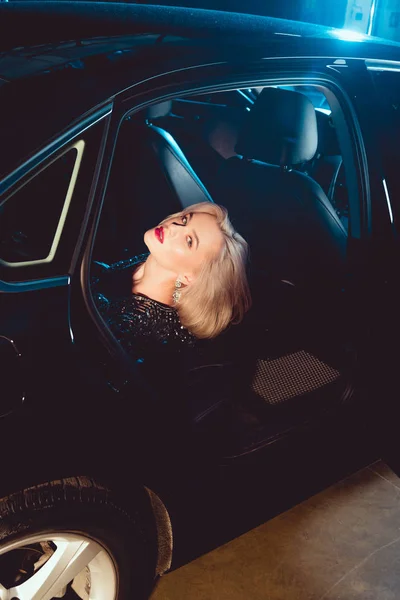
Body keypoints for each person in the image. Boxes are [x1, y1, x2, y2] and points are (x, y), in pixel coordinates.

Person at [93, 202, 251, 361]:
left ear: (189, 277)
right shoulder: (156, 257)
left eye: (189, 241)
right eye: (184, 220)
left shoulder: (139, 324)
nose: (174, 226)